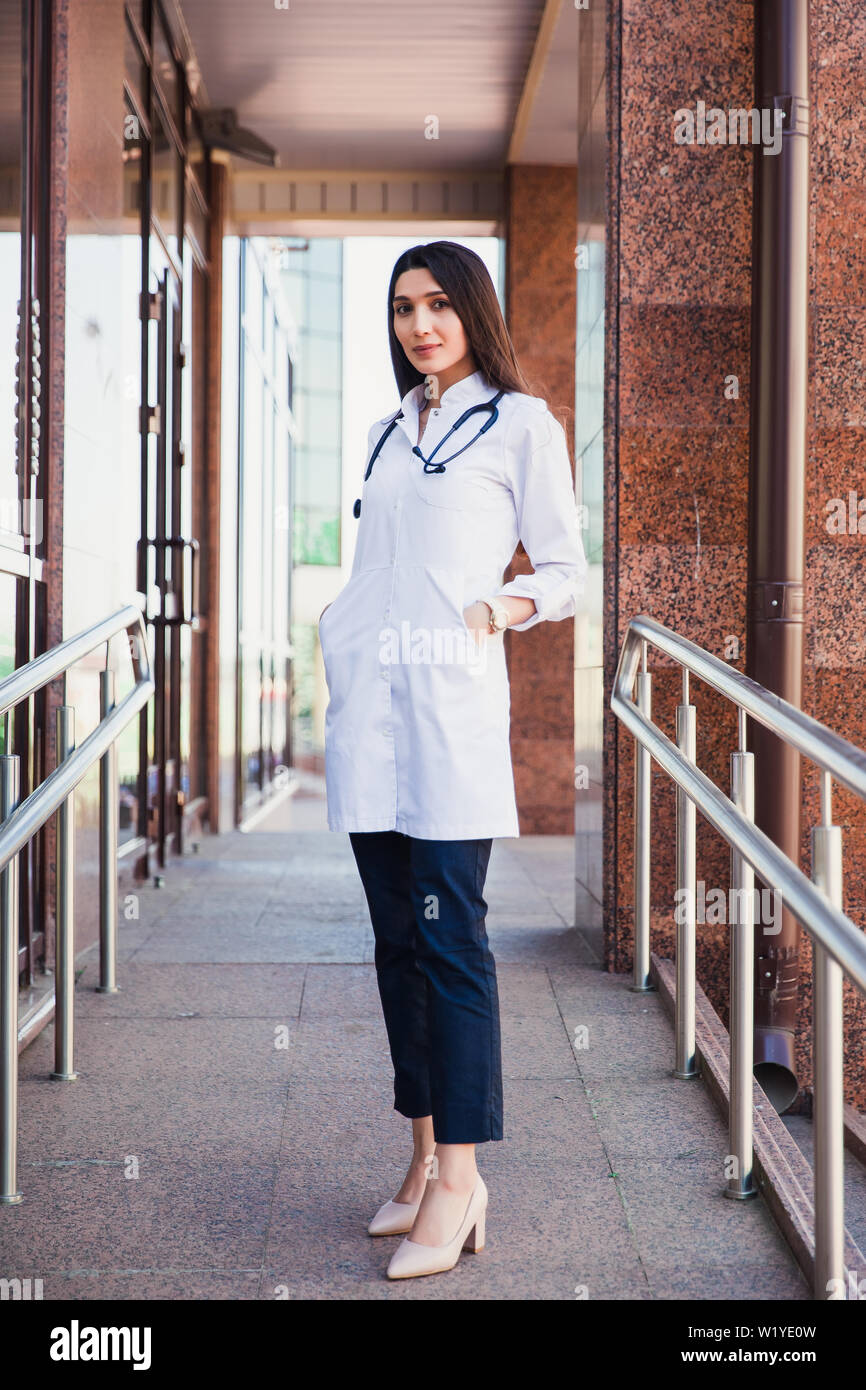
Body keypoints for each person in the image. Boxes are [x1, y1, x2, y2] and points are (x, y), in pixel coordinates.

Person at [317, 240, 587, 1280]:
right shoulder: (389, 431)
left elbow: (565, 566)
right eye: (401, 309)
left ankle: (466, 1177)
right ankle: (423, 1159)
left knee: (449, 943)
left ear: (471, 310)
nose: (418, 325)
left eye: (436, 304)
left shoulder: (519, 424)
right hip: (367, 722)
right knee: (395, 944)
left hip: (450, 723)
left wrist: (501, 605)